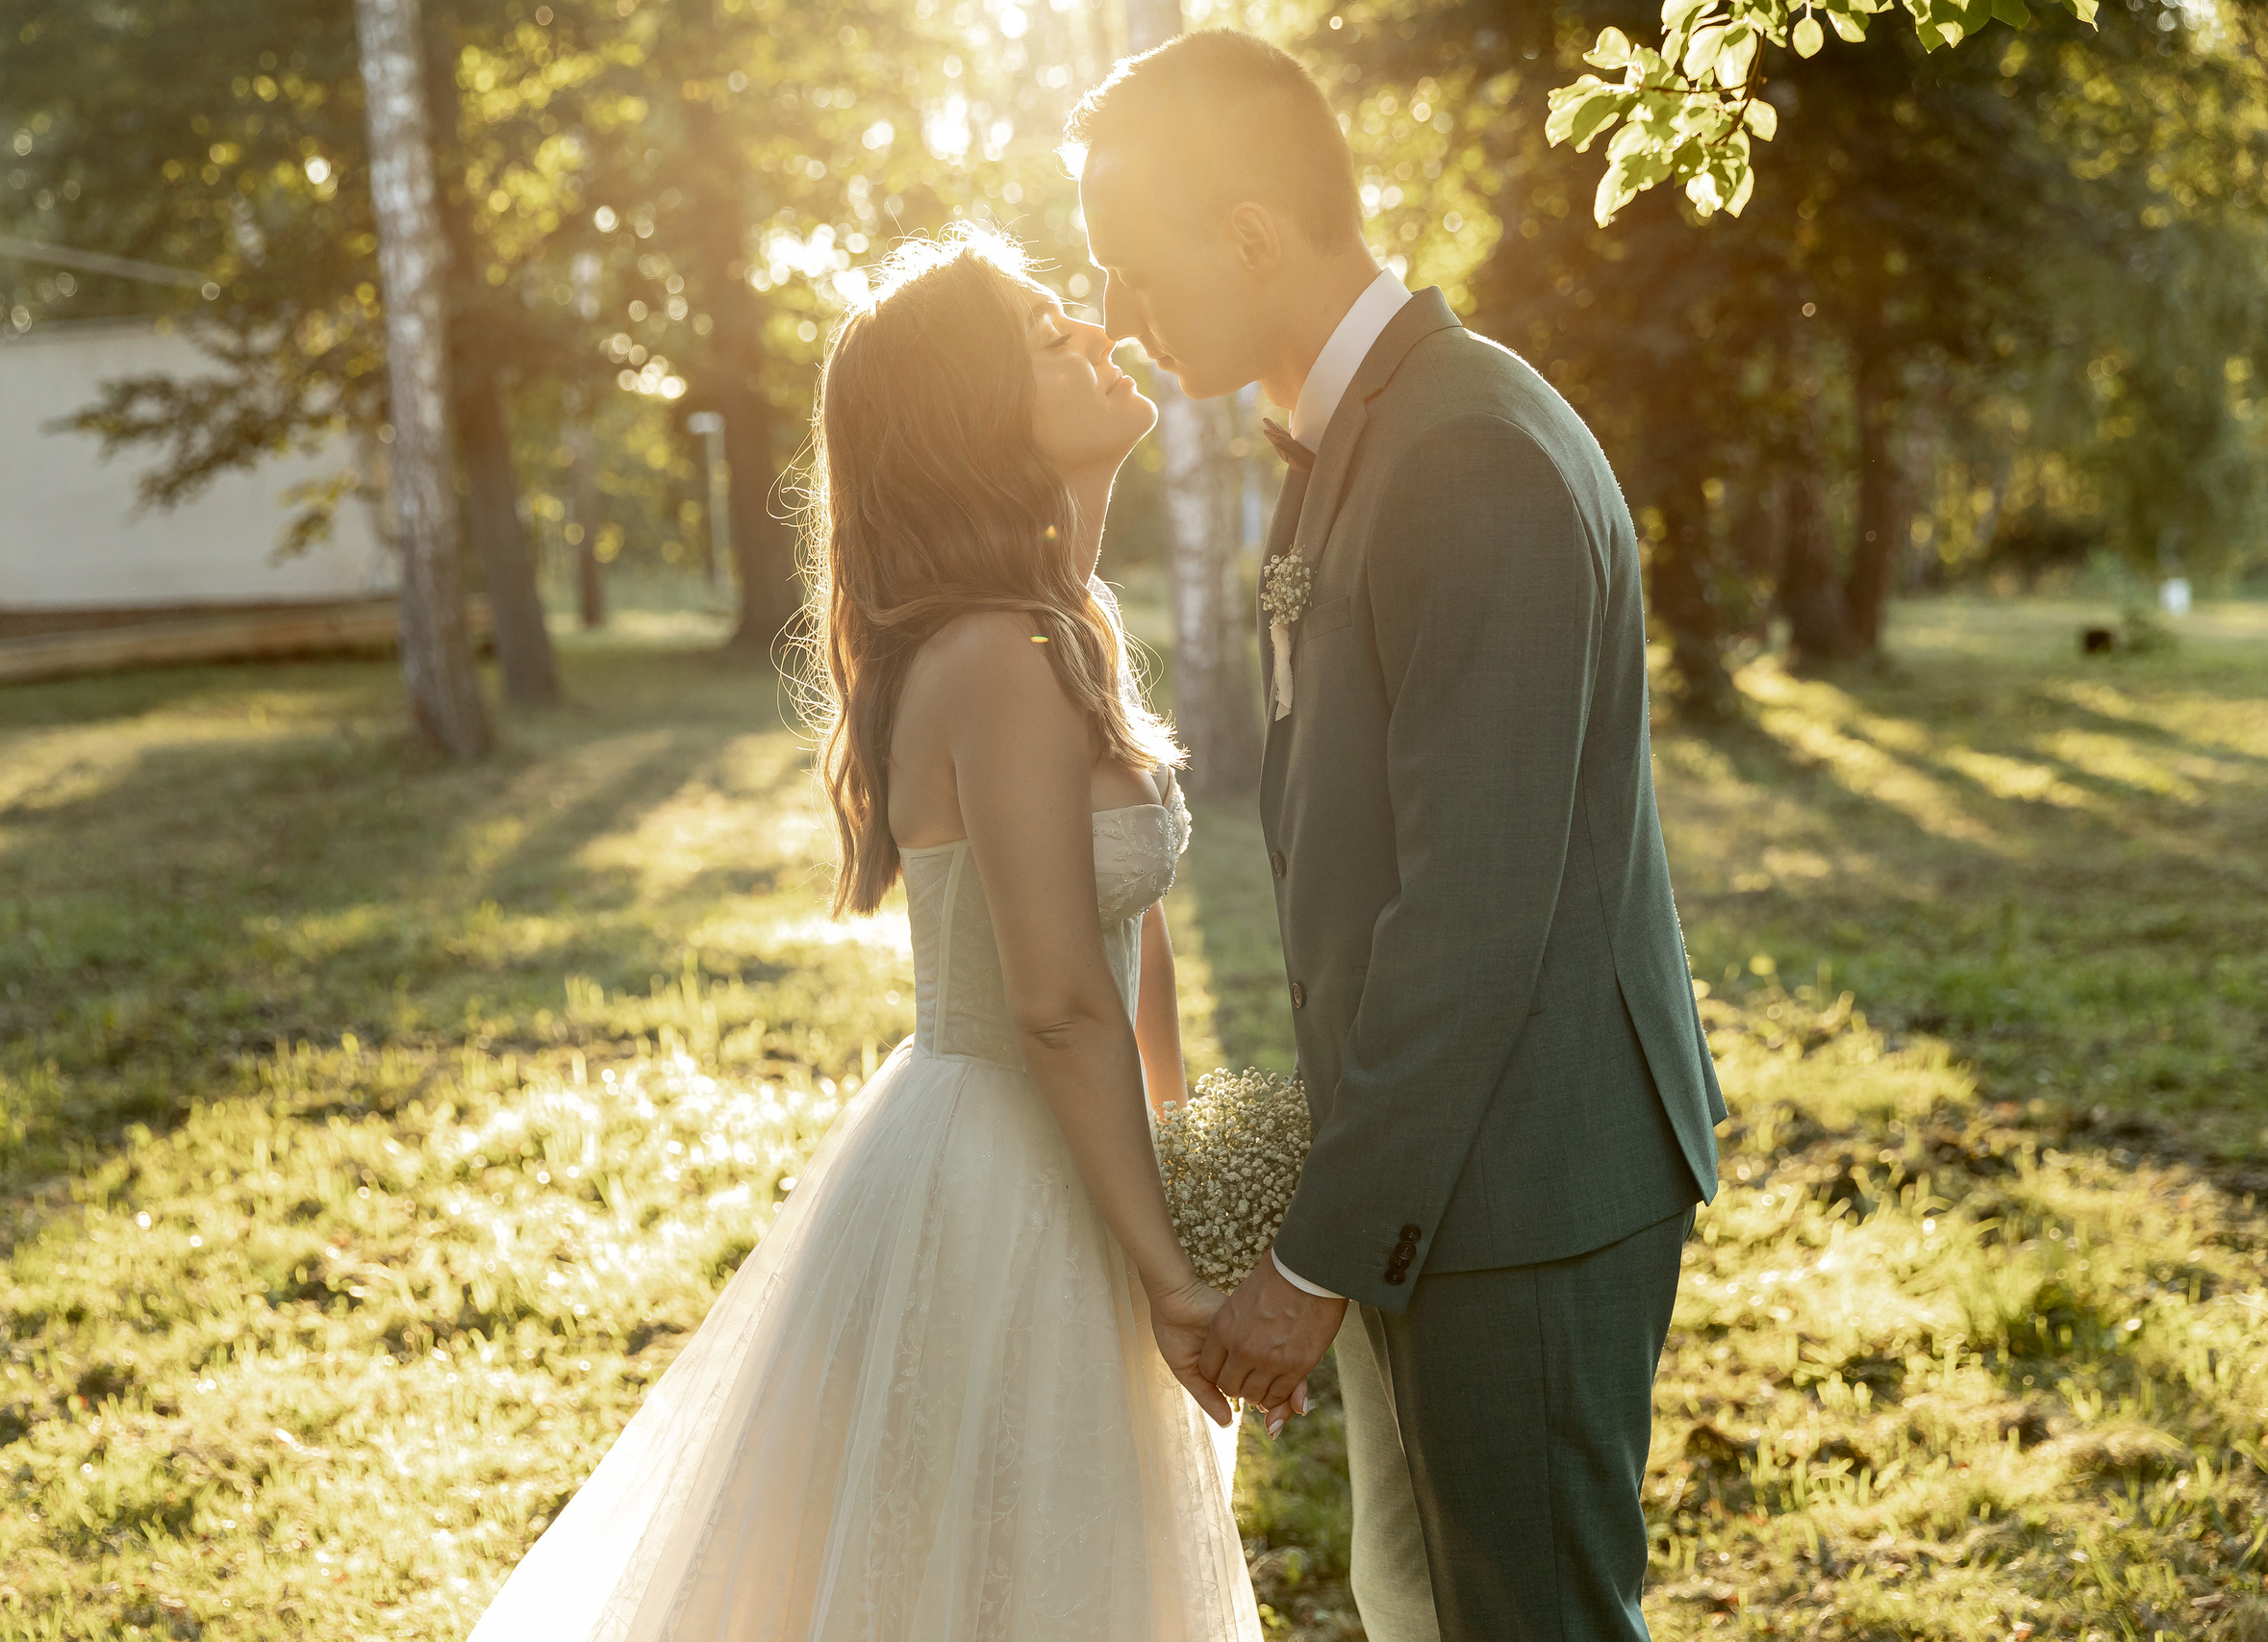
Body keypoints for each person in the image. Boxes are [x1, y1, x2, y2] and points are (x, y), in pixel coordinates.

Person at [463, 225, 1266, 1642]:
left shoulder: (1059, 623)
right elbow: (1054, 1005)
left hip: (1085, 1150)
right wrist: (1174, 1282)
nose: (1098, 332)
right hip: (1006, 1176)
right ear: (978, 419)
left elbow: (1126, 934)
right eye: (1047, 336)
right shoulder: (999, 657)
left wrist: (1182, 1158)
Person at [1067, 31, 1730, 1642]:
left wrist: (1313, 1261)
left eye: (1133, 265)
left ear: (1249, 235)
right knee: (1428, 1609)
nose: (1118, 315)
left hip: (1521, 1190)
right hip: (1445, 1175)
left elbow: (1474, 912)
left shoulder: (1465, 453)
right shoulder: (1371, 431)